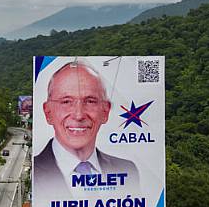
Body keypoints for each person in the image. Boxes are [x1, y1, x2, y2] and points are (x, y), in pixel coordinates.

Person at [33, 60, 139, 199]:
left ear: (105, 111)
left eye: (90, 101)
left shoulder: (128, 170)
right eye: (66, 102)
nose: (78, 115)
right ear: (48, 113)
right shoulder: (33, 173)